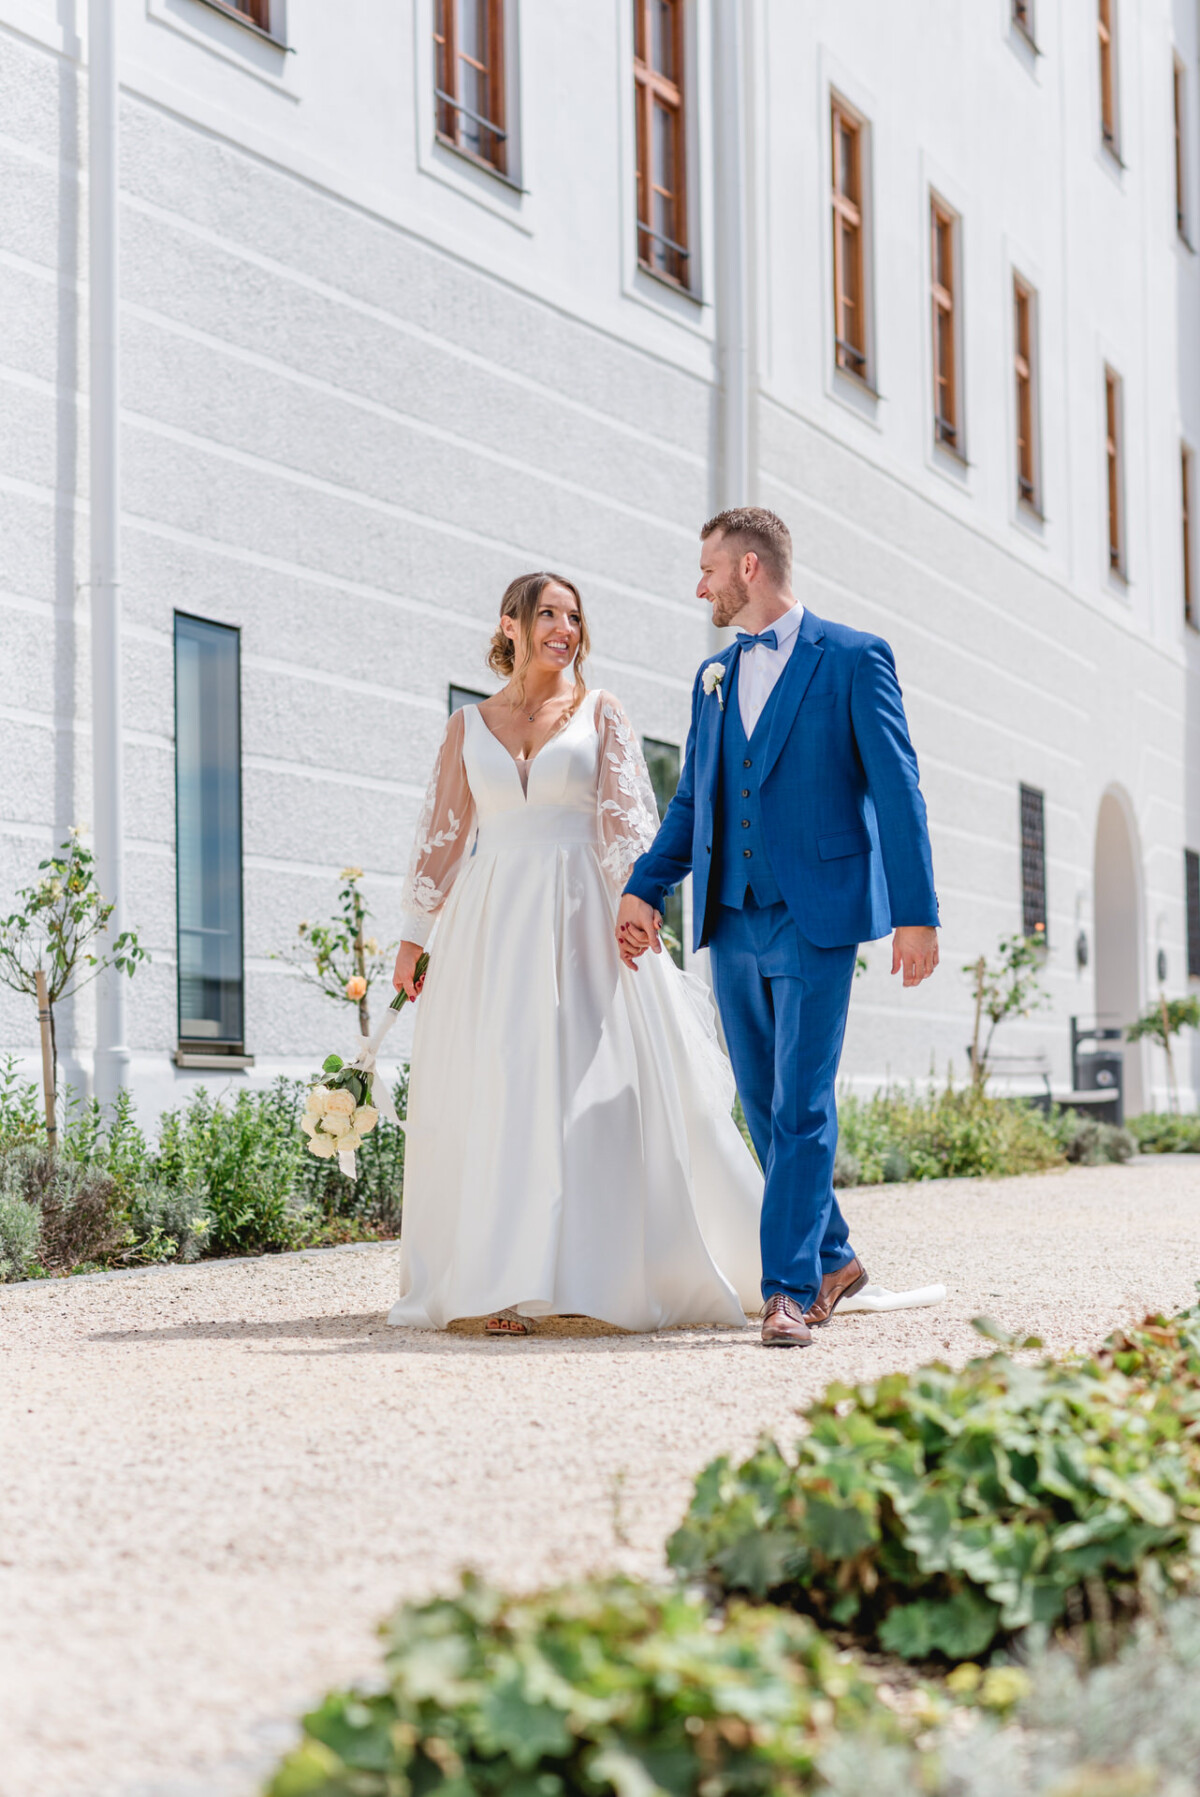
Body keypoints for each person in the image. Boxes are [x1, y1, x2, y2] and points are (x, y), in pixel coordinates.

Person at [386, 571, 762, 1335]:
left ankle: (602, 1268)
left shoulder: (602, 712)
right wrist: (414, 938)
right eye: (549, 615)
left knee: (593, 1087)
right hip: (492, 921)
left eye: (574, 617)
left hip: (585, 915)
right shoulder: (466, 726)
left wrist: (640, 904)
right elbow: (445, 836)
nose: (565, 628)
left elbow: (630, 823)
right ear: (511, 625)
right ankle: (499, 1283)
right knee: (502, 1085)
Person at [617, 508, 940, 1349]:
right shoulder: (713, 677)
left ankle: (789, 1290)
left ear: (750, 567)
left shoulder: (855, 658)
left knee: (801, 1101)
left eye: (709, 570)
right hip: (732, 913)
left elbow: (898, 791)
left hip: (819, 914)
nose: (700, 586)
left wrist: (916, 914)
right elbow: (695, 799)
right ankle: (834, 1255)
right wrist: (646, 886)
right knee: (761, 1105)